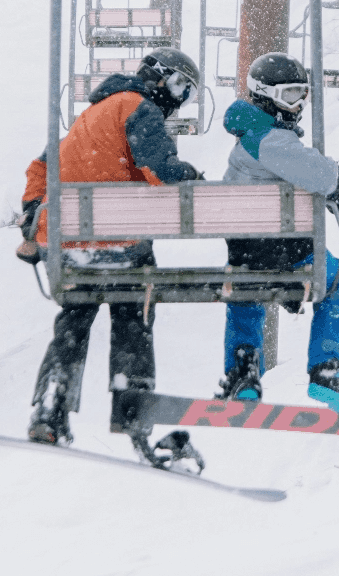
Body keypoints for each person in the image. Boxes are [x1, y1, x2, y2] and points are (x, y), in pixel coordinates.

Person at [18, 48, 202, 448]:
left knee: (74, 320)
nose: (180, 98)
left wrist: (35, 218)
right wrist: (190, 174)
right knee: (133, 313)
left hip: (71, 246)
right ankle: (133, 406)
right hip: (121, 246)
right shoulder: (139, 109)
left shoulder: (91, 116)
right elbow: (162, 172)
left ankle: (52, 404)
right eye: (180, 87)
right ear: (160, 79)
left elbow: (40, 169)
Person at [217, 52, 339, 414]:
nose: (298, 105)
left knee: (246, 291)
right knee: (334, 282)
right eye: (290, 96)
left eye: (302, 95)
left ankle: (243, 374)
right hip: (285, 251)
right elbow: (318, 173)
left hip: (246, 253)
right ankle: (326, 369)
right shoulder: (268, 138)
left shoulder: (250, 136)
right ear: (265, 94)